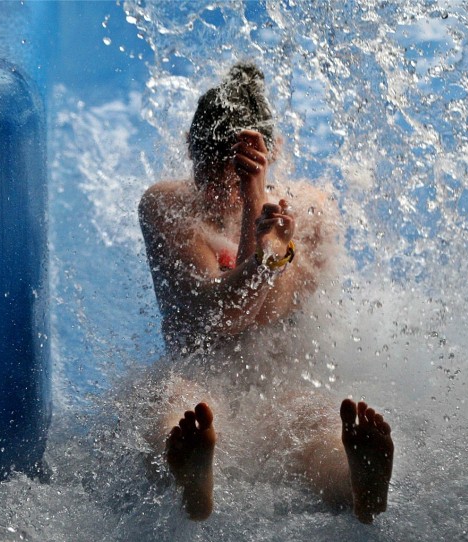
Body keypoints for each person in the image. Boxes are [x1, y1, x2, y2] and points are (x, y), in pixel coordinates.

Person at [138, 61, 393, 524]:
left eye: (233, 176)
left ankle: (358, 485)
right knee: (172, 407)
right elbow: (217, 316)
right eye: (206, 172)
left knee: (314, 425)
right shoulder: (166, 206)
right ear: (190, 157)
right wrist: (261, 238)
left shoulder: (311, 212)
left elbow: (267, 313)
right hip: (202, 373)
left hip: (278, 386)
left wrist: (261, 217)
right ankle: (194, 484)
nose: (218, 191)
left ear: (271, 155)